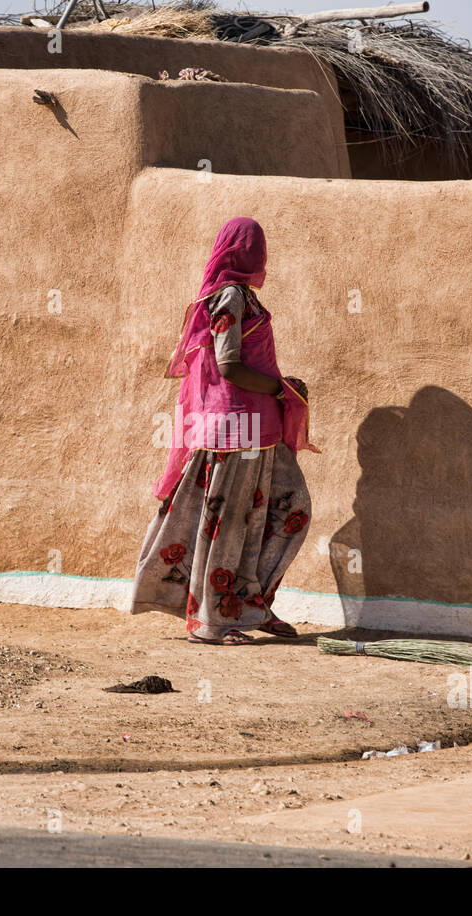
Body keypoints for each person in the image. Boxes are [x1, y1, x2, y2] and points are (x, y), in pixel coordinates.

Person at [131, 217, 318, 644]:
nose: (261, 255)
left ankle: (251, 604)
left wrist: (279, 392)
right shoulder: (229, 297)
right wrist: (281, 387)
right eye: (255, 247)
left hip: (260, 428)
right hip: (233, 428)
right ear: (238, 251)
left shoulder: (245, 297)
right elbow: (229, 365)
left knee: (287, 511)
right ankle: (211, 620)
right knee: (228, 524)